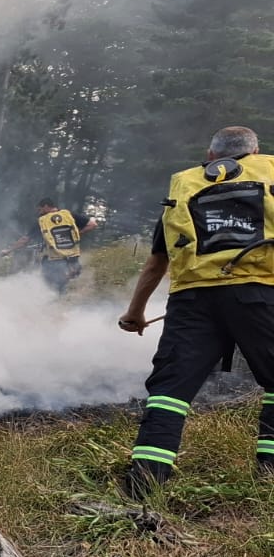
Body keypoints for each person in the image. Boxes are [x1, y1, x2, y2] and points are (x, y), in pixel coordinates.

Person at [117, 125, 274, 500]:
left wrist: (135, 313)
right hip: (259, 295)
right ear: (254, 153)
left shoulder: (186, 189)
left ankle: (144, 485)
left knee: (170, 391)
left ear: (210, 156)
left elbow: (157, 262)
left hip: (193, 301)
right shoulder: (268, 178)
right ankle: (269, 473)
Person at [14, 198, 96, 293]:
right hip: (72, 257)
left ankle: (55, 302)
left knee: (52, 286)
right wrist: (76, 234)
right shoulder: (68, 215)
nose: (40, 213)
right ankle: (69, 301)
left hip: (54, 260)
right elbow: (92, 224)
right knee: (72, 285)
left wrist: (9, 250)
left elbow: (25, 240)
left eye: (40, 210)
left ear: (46, 206)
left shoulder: (43, 221)